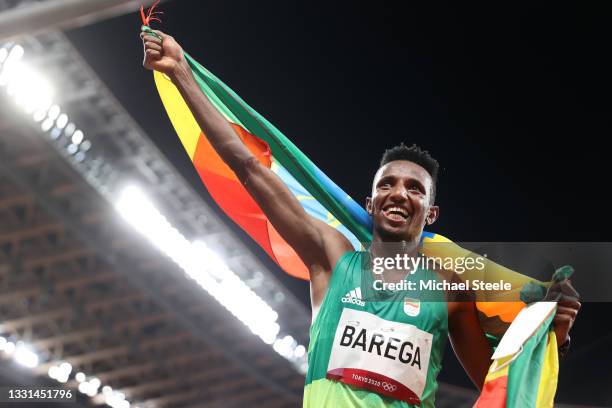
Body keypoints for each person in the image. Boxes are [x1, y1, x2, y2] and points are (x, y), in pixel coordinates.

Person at [140, 29, 581, 407]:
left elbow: (497, 385)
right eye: (387, 184)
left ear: (431, 213)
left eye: (414, 189)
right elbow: (250, 166)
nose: (398, 193)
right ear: (370, 204)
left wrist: (545, 334)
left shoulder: (449, 292)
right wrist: (180, 74)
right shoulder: (332, 256)